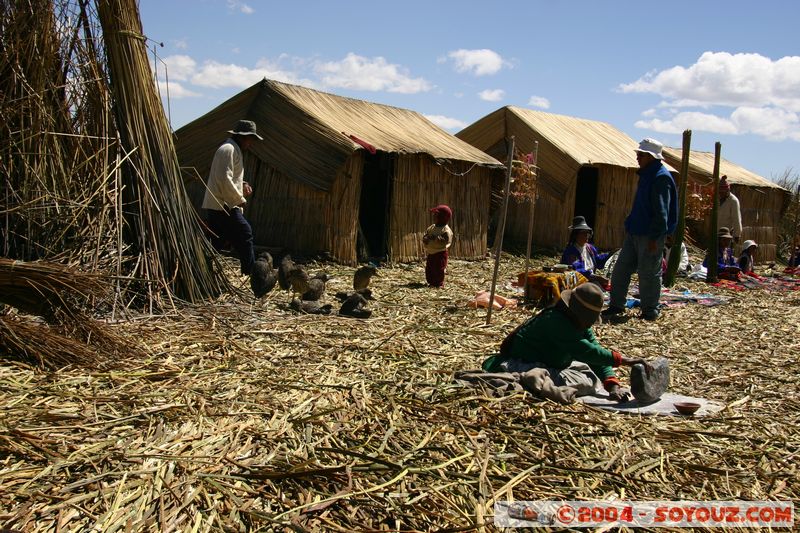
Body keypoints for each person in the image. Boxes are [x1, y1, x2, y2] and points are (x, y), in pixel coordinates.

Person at [483, 283, 653, 402]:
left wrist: (611, 383)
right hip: (525, 364)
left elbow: (594, 349)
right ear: (578, 312)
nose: (589, 325)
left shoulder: (578, 322)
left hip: (553, 364)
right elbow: (585, 351)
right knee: (586, 382)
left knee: (590, 376)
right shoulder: (555, 320)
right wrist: (624, 360)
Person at [603, 138, 678, 321]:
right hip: (635, 231)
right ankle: (616, 305)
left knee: (649, 273)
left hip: (650, 235)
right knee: (621, 269)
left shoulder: (660, 178)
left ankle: (650, 310)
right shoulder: (646, 174)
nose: (637, 157)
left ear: (651, 157)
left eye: (641, 155)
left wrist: (655, 238)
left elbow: (662, 213)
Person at [202, 119, 262, 276]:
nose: (251, 143)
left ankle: (202, 269)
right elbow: (223, 177)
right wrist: (239, 199)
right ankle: (251, 275)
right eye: (251, 139)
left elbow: (229, 176)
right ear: (243, 137)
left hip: (220, 204)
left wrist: (242, 184)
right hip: (223, 204)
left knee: (217, 240)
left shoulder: (233, 149)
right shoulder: (229, 149)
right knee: (245, 232)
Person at [561, 216, 610, 287]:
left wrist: (610, 255)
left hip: (591, 281)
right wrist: (595, 277)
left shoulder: (590, 248)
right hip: (577, 283)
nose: (587, 235)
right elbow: (577, 270)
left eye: (588, 233)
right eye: (583, 233)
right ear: (576, 235)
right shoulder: (571, 251)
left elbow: (598, 261)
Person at [422, 204, 453, 287]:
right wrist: (426, 238)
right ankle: (431, 282)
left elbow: (445, 241)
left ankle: (438, 284)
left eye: (436, 215)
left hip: (440, 253)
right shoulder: (432, 227)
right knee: (429, 269)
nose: (433, 217)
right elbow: (426, 235)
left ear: (442, 217)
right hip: (431, 253)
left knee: (439, 269)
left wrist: (436, 238)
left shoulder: (446, 230)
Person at [718, 176, 743, 245]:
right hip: (716, 234)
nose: (721, 194)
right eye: (720, 192)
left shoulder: (733, 201)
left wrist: (737, 235)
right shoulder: (717, 199)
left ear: (727, 191)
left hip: (726, 235)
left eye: (723, 192)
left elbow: (736, 219)